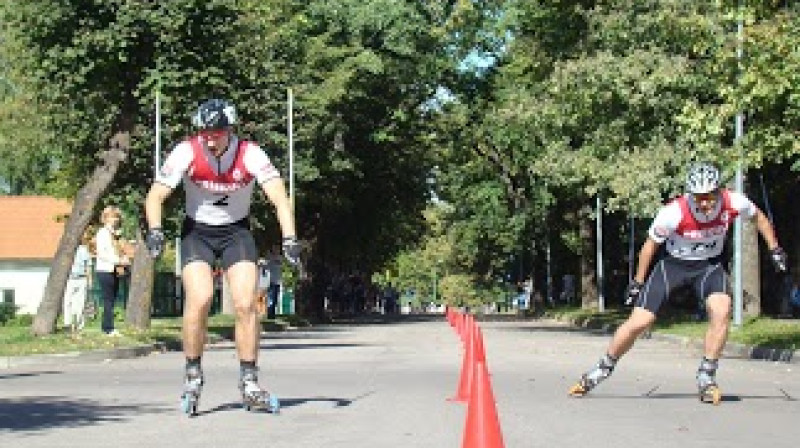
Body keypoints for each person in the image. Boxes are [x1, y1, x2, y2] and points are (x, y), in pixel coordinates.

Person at [568, 162, 787, 405]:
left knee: (722, 309)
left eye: (710, 197)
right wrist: (638, 282)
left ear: (719, 191)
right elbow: (650, 246)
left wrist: (775, 248)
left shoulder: (734, 202)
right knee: (641, 321)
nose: (704, 203)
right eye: (699, 198)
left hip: (709, 266)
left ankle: (707, 374)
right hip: (672, 266)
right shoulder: (674, 212)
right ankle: (602, 368)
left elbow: (760, 219)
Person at [144, 98, 299, 415]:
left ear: (230, 130)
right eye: (204, 132)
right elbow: (155, 196)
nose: (209, 138)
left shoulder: (250, 153)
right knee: (199, 298)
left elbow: (280, 198)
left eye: (216, 132)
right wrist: (156, 230)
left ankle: (249, 380)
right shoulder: (187, 150)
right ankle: (192, 374)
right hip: (196, 233)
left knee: (245, 303)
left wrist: (290, 238)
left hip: (236, 233)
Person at [94, 206, 129, 336]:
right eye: (112, 217)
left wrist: (124, 257)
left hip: (115, 269)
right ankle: (108, 328)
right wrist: (118, 260)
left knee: (112, 299)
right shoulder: (103, 233)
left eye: (116, 217)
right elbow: (102, 253)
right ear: (106, 218)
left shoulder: (116, 234)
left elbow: (121, 249)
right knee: (108, 299)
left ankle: (107, 326)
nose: (115, 220)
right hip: (105, 269)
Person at [63, 228, 93, 331]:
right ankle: (67, 324)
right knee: (67, 302)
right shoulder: (67, 249)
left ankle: (79, 326)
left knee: (80, 303)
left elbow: (88, 266)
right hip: (69, 279)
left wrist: (89, 280)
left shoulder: (84, 250)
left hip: (81, 279)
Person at [265, 245, 283, 318]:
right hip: (270, 281)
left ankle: (272, 314)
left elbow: (280, 263)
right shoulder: (269, 257)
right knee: (271, 298)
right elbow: (265, 266)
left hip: (277, 281)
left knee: (275, 299)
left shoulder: (280, 258)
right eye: (275, 249)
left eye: (278, 249)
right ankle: (269, 314)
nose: (276, 250)